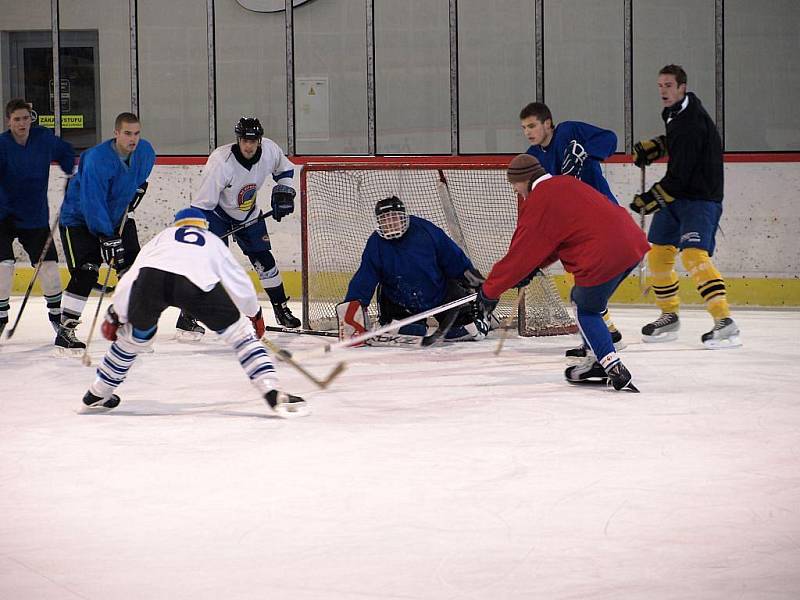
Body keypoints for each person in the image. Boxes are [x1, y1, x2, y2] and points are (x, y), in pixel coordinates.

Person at [80, 208, 308, 418]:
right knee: (240, 334)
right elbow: (239, 281)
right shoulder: (211, 240)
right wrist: (254, 314)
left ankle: (97, 392)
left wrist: (116, 313)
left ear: (177, 224)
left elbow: (132, 276)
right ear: (203, 226)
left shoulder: (161, 238)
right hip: (195, 283)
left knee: (134, 337)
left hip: (152, 280)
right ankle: (271, 390)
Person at [476, 154, 650, 391]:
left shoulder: (539, 201)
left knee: (584, 308)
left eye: (514, 184)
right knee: (592, 304)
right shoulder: (565, 183)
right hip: (632, 244)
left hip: (603, 253)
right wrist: (533, 267)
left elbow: (519, 255)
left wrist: (489, 291)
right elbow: (559, 239)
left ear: (524, 179)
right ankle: (596, 357)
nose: (516, 190)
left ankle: (611, 365)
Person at [630, 64, 740, 349]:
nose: (663, 91)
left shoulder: (692, 120)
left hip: (700, 198)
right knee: (658, 255)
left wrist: (652, 198)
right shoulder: (675, 113)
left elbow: (682, 173)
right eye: (660, 85)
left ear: (682, 87)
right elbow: (682, 146)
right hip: (679, 195)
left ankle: (724, 321)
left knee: (694, 256)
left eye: (668, 85)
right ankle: (669, 316)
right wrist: (660, 146)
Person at [519, 101, 624, 357]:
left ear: (547, 123)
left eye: (532, 125)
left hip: (602, 220)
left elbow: (610, 139)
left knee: (585, 289)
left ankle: (603, 339)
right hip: (575, 229)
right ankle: (604, 335)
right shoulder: (532, 158)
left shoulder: (569, 132)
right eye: (524, 127)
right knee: (579, 282)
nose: (528, 132)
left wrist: (586, 152)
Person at [180, 116, 299, 341]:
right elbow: (202, 204)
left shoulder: (270, 150)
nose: (248, 145)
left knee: (264, 260)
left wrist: (284, 192)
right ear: (238, 139)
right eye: (244, 140)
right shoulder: (221, 162)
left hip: (249, 213)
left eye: (253, 141)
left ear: (260, 140)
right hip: (217, 215)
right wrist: (204, 235)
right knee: (212, 265)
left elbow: (285, 171)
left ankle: (281, 309)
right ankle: (187, 316)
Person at [55, 112, 155, 354]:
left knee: (133, 271)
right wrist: (105, 235)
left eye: (137, 133)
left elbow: (140, 177)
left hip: (117, 217)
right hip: (79, 219)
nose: (133, 139)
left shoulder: (145, 151)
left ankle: (130, 326)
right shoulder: (98, 158)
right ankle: (65, 331)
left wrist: (137, 189)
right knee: (87, 270)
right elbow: (92, 200)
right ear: (116, 133)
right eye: (128, 133)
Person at [338, 196, 491, 344]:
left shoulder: (426, 231)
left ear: (403, 217)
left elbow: (453, 258)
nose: (390, 223)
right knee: (410, 331)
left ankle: (481, 319)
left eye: (394, 218)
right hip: (400, 301)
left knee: (467, 331)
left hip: (439, 295)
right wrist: (352, 310)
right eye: (385, 219)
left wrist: (473, 280)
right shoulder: (375, 244)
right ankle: (407, 324)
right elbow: (365, 278)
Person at [0, 98, 74, 336]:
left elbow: (65, 151)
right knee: (3, 267)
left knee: (50, 267)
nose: (22, 123)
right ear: (8, 121)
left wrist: (70, 171)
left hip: (34, 217)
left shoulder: (43, 139)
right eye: (17, 119)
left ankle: (57, 318)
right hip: (3, 216)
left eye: (25, 118)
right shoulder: (1, 145)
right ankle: (0, 317)